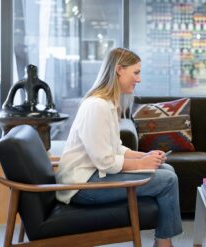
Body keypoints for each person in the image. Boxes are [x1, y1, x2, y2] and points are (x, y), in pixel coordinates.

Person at [56, 47, 183, 247]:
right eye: (136, 72)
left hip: (94, 175)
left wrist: (146, 156)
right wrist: (142, 164)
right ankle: (164, 243)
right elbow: (105, 161)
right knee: (167, 179)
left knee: (167, 169)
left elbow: (117, 148)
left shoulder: (107, 104)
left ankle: (163, 241)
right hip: (81, 186)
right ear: (119, 70)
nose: (139, 79)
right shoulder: (96, 106)